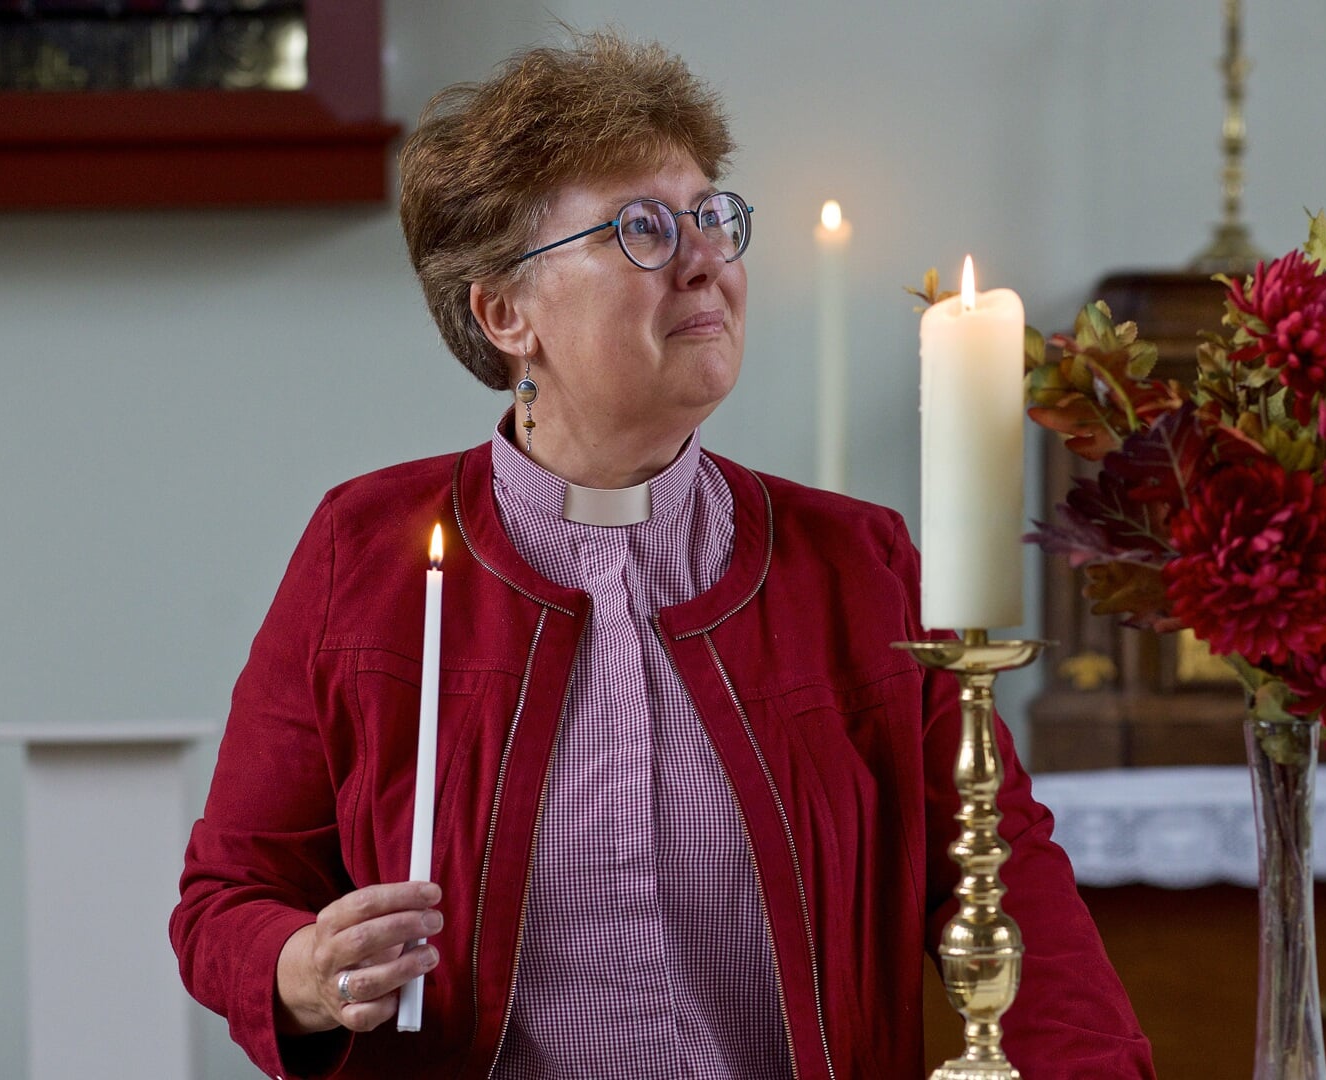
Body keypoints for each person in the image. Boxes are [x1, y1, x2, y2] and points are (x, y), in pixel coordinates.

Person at [171, 30, 1154, 1080]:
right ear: (506, 313)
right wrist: (301, 969)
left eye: (710, 217)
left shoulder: (856, 565)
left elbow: (1008, 887)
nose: (703, 258)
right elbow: (227, 899)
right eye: (638, 229)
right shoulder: (362, 551)